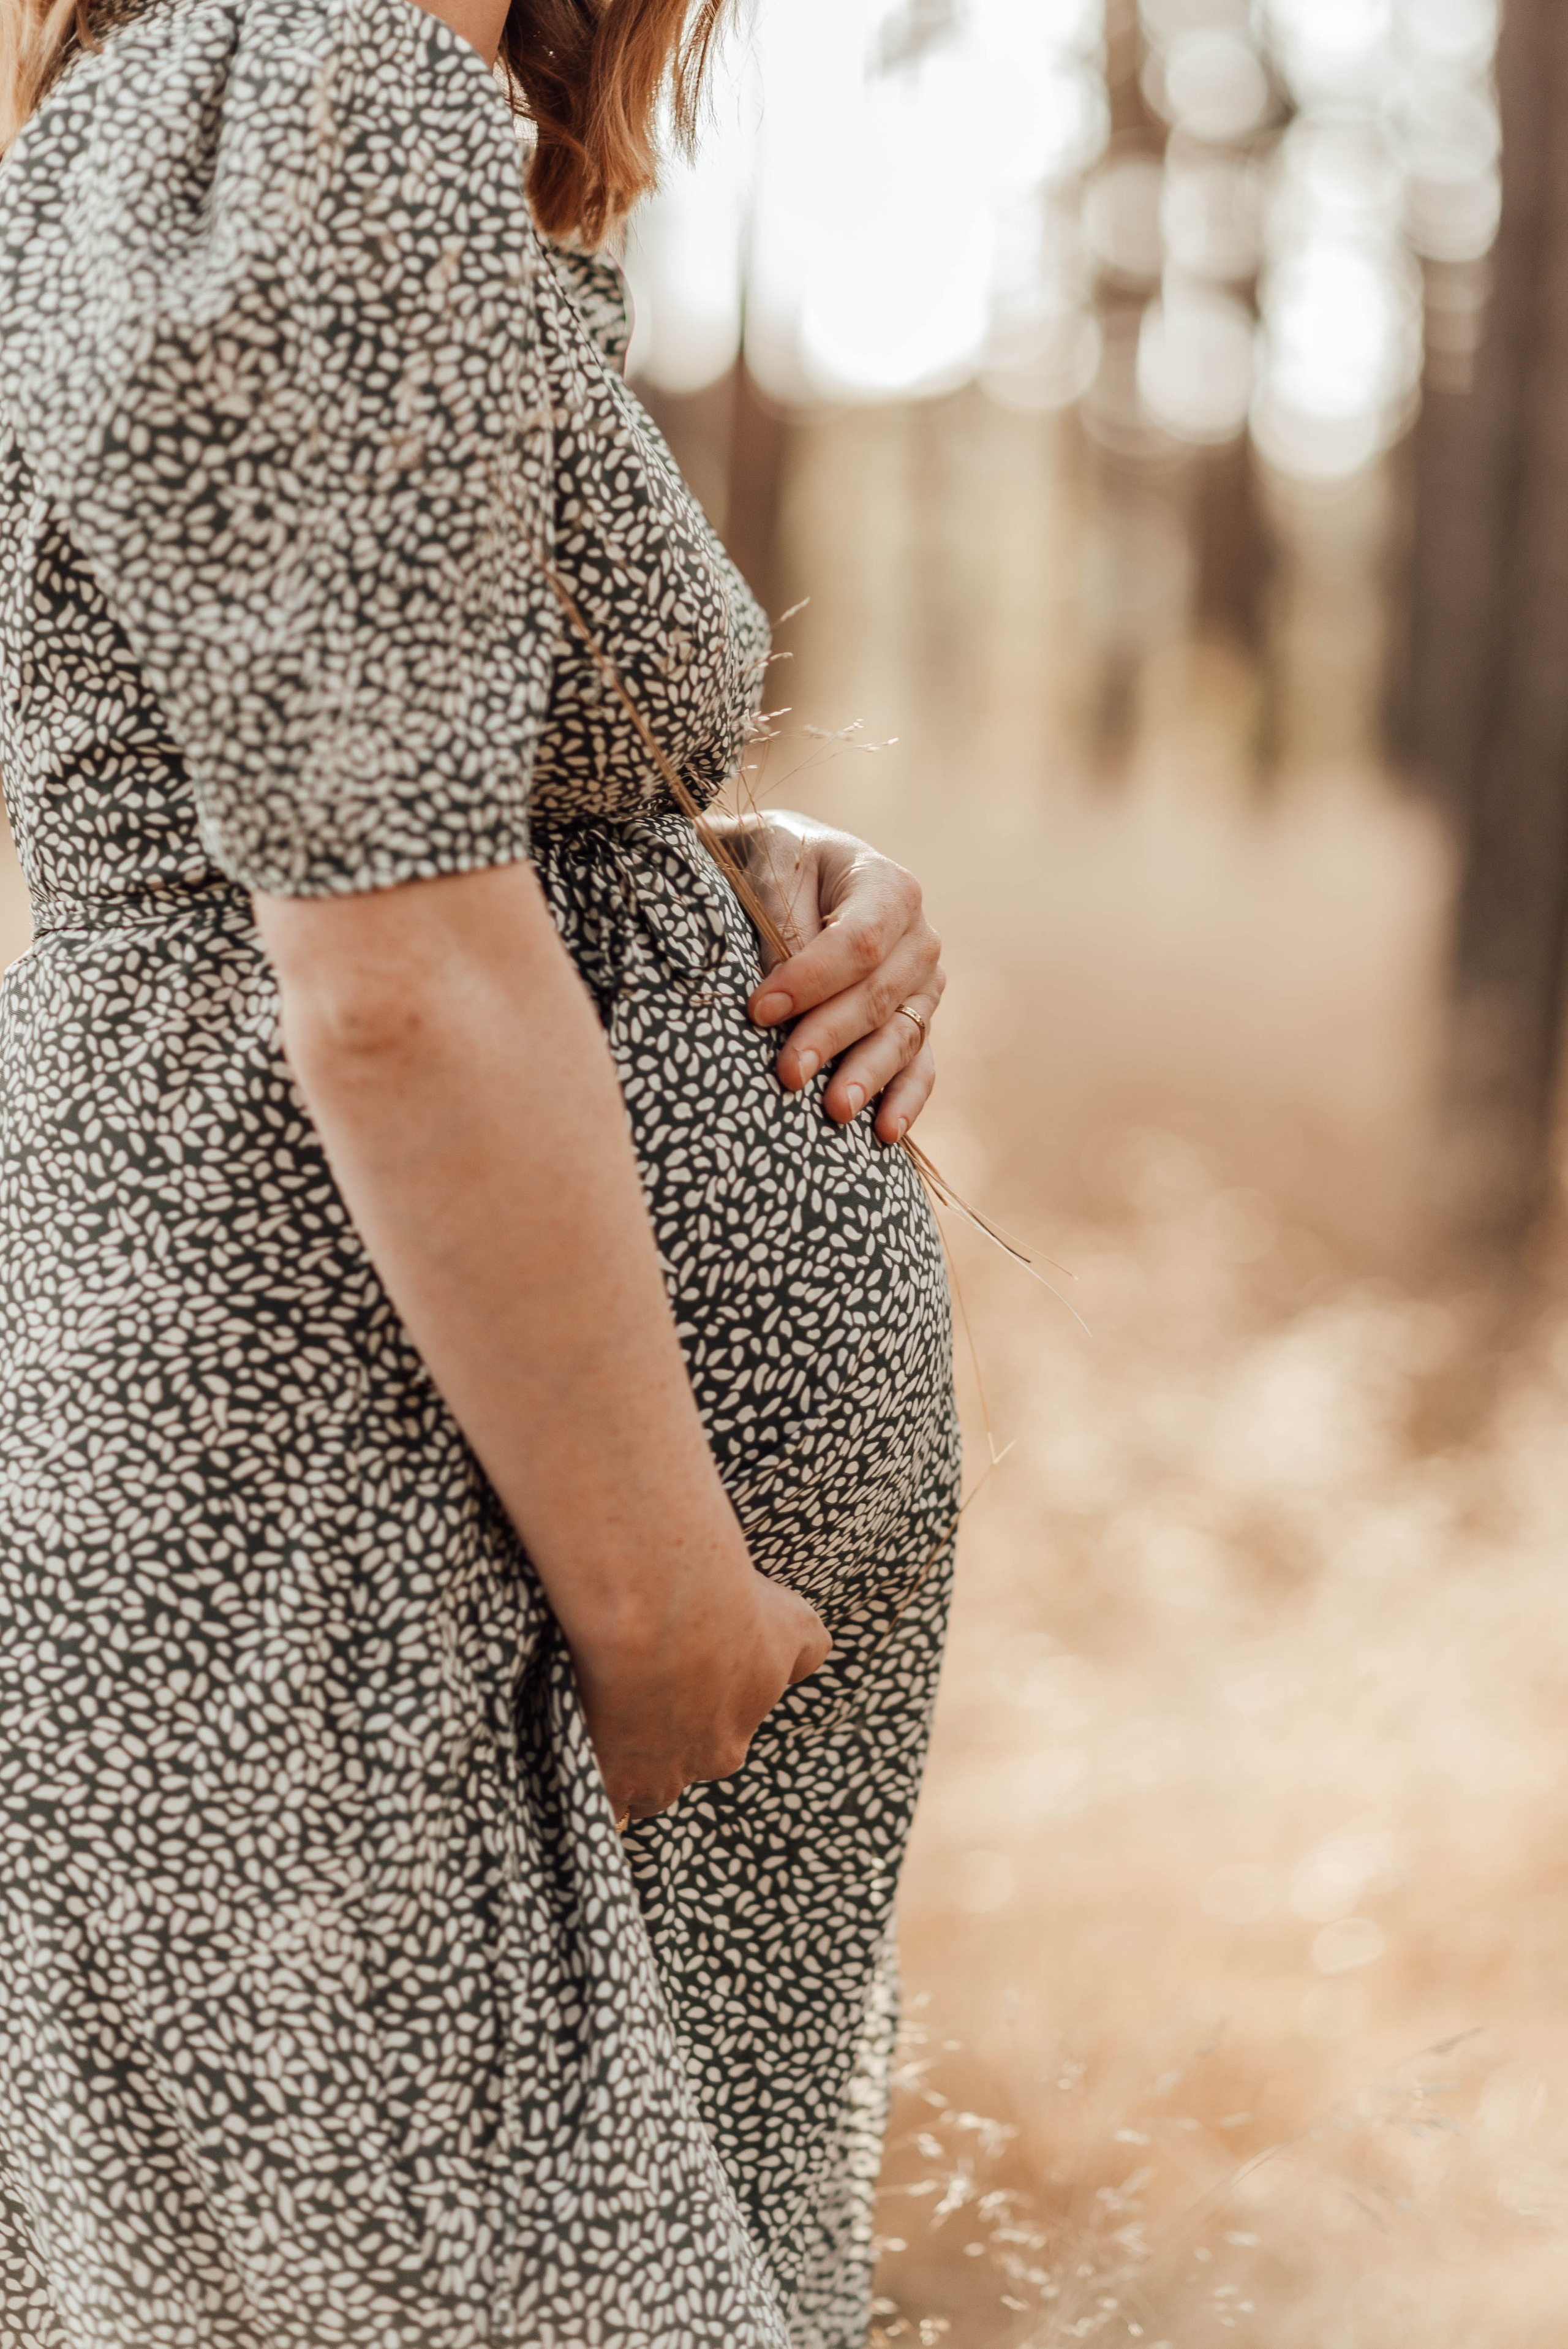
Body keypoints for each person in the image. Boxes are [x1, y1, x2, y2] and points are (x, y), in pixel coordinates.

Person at [0, 0, 959, 2338]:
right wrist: (669, 1609)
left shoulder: (316, 104)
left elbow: (336, 792)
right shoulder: (303, 88)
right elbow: (395, 977)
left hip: (442, 1579)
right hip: (342, 1572)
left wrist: (700, 864)